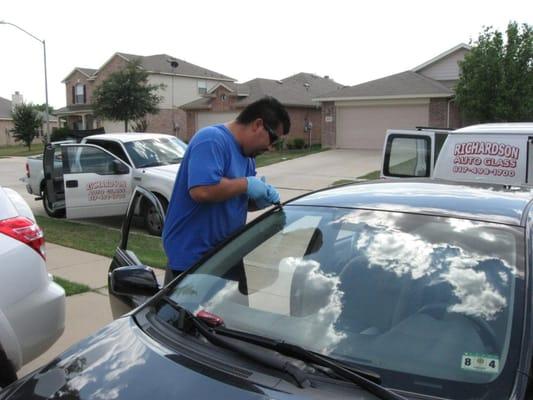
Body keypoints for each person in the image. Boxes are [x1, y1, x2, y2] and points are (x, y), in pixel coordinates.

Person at [162, 96, 291, 284]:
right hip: (193, 260)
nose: (271, 148)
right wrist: (247, 184)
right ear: (258, 124)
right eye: (273, 139)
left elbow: (232, 200)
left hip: (226, 255)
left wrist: (258, 201)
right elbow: (202, 191)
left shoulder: (248, 157)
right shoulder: (212, 139)